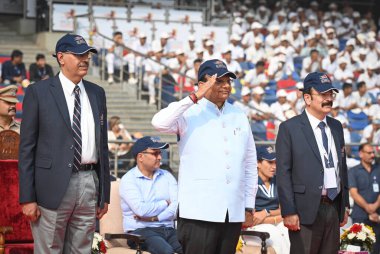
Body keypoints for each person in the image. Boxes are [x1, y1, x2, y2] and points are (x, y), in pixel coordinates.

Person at [152, 59, 258, 254]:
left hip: (232, 212)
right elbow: (159, 122)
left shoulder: (239, 115)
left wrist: (249, 205)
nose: (226, 86)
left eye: (228, 81)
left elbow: (250, 163)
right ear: (202, 83)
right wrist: (195, 96)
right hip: (198, 212)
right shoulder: (189, 112)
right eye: (219, 81)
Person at [19, 33, 110, 253]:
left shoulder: (97, 93)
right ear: (61, 57)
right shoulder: (38, 92)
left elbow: (103, 146)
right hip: (51, 185)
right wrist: (27, 198)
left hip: (89, 182)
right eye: (78, 54)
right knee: (50, 248)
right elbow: (27, 149)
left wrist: (104, 193)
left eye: (87, 54)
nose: (85, 59)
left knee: (82, 249)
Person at [276, 72, 349, 254]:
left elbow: (343, 167)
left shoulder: (336, 126)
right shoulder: (289, 128)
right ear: (307, 98)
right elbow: (283, 173)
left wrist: (345, 204)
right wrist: (289, 211)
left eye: (331, 94)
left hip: (333, 207)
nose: (328, 99)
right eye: (323, 94)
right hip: (303, 211)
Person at [119, 136, 183, 254]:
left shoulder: (167, 175)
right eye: (155, 153)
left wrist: (155, 218)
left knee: (193, 248)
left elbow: (177, 206)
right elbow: (141, 210)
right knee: (166, 252)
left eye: (160, 153)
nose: (160, 157)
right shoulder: (128, 180)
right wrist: (165, 203)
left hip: (169, 228)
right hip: (140, 231)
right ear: (140, 157)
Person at [244, 146, 290, 254]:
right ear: (258, 163)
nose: (274, 167)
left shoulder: (278, 180)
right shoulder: (251, 183)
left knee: (289, 232)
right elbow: (253, 219)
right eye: (270, 162)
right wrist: (279, 217)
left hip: (274, 223)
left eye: (275, 163)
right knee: (276, 235)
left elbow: (285, 210)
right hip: (254, 229)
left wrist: (266, 212)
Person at [348, 143, 380, 254]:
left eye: (373, 152)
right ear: (361, 154)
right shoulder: (353, 171)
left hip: (377, 217)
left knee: (376, 250)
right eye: (369, 153)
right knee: (360, 250)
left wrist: (375, 207)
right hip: (359, 217)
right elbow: (354, 193)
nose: (372, 155)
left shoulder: (378, 169)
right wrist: (369, 208)